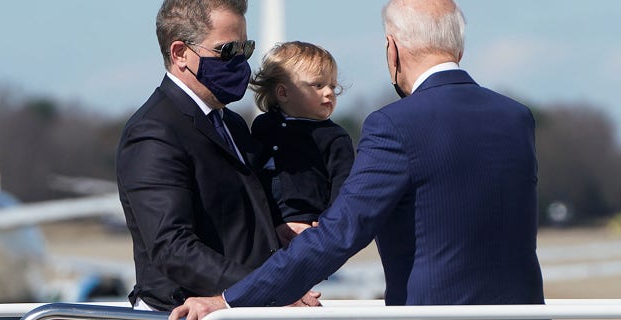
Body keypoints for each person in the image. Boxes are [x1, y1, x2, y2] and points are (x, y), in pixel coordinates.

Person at [169, 0, 545, 317]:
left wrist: (230, 299)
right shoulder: (517, 118)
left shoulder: (394, 125)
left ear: (392, 48)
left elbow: (338, 235)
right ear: (458, 48)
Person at [116, 0, 319, 311]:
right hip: (184, 312)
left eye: (245, 49)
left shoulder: (233, 125)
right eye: (227, 51)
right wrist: (268, 288)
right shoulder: (154, 132)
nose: (240, 62)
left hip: (243, 308)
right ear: (180, 53)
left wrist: (285, 226)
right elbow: (173, 248)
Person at [250, 41, 355, 246]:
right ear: (283, 93)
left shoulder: (334, 137)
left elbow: (344, 186)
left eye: (332, 86)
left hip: (310, 228)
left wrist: (329, 225)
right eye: (318, 85)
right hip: (266, 227)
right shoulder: (263, 127)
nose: (329, 93)